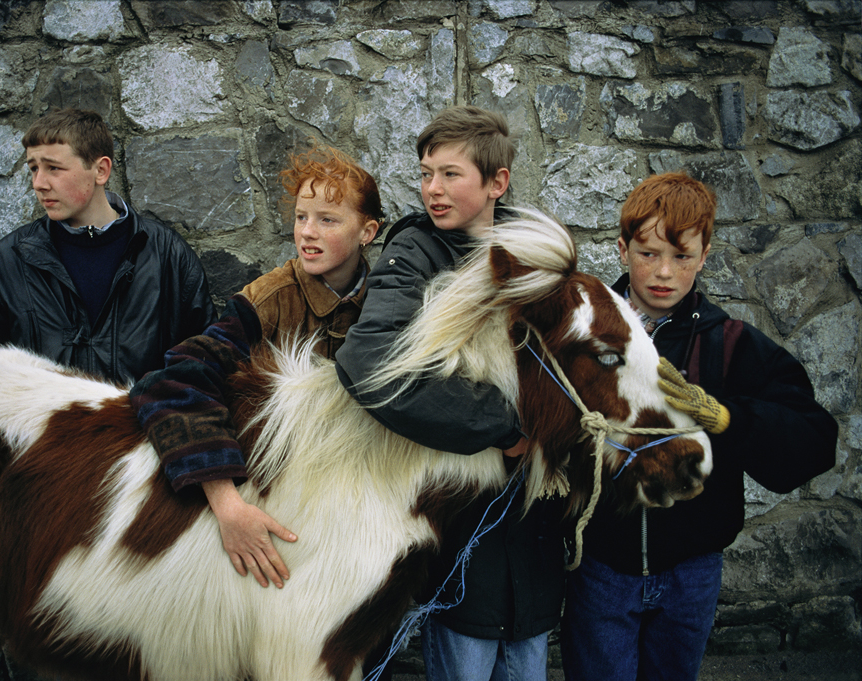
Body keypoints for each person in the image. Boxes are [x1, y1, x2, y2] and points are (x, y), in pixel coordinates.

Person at [560, 172, 838, 681]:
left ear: (705, 256)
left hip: (693, 570)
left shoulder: (733, 343)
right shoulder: (586, 335)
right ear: (622, 250)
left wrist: (731, 418)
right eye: (648, 253)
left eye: (682, 256)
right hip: (602, 569)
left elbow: (817, 439)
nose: (663, 271)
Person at [335, 105, 565, 681]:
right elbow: (368, 360)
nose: (431, 189)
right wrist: (502, 426)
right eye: (425, 173)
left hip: (534, 519)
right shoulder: (415, 254)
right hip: (460, 513)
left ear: (497, 183)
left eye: (449, 174)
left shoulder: (534, 256)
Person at [130, 143, 385, 590]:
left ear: (367, 232)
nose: (307, 232)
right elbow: (173, 382)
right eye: (301, 217)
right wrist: (228, 506)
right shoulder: (268, 301)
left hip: (358, 511)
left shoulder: (388, 301)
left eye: (328, 220)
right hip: (277, 504)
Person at [0, 107, 217, 384]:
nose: (38, 183)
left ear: (100, 170)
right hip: (43, 426)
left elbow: (202, 360)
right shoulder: (7, 261)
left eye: (53, 168)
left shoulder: (167, 255)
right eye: (34, 168)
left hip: (141, 424)